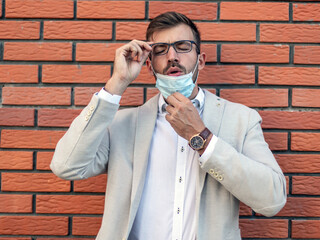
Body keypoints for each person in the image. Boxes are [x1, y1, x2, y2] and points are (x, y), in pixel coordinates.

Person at [51, 11, 287, 240]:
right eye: (160, 50)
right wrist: (117, 83)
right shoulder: (122, 124)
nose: (172, 56)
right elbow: (66, 166)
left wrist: (201, 138)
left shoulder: (241, 120)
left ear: (201, 60)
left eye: (183, 47)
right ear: (149, 66)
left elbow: (273, 199)